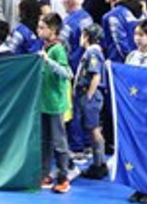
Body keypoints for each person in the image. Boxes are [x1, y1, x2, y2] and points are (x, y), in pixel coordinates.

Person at [38, 10, 73, 193]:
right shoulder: (45, 47)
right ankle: (45, 174)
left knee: (59, 142)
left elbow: (68, 74)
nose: (38, 31)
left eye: (42, 28)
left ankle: (63, 177)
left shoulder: (58, 49)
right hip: (43, 102)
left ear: (52, 30)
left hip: (55, 103)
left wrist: (48, 62)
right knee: (44, 141)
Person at [75, 23, 108, 180]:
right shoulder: (90, 52)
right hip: (87, 93)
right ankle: (98, 161)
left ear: (87, 36)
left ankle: (99, 164)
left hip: (90, 93)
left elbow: (95, 75)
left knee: (94, 130)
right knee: (92, 129)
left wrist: (89, 95)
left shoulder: (93, 53)